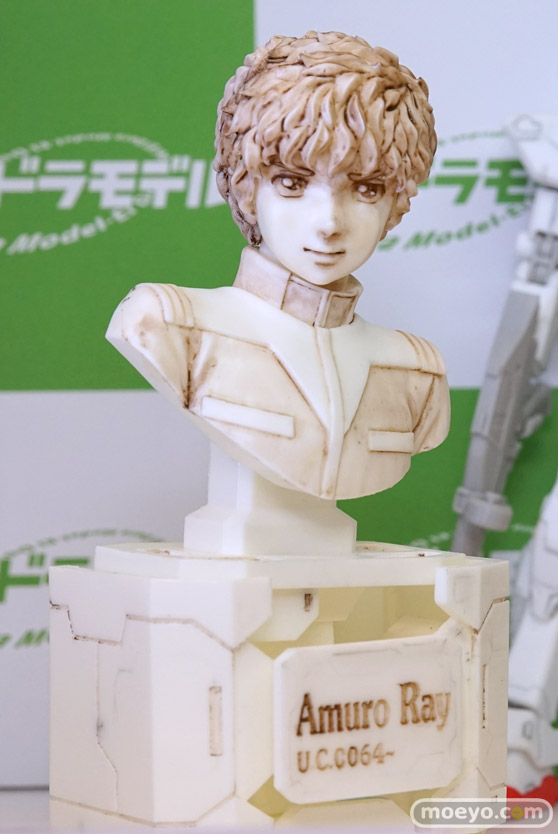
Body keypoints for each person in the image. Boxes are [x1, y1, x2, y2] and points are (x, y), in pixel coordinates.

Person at [107, 31, 450, 501]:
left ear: (397, 203)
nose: (329, 223)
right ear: (245, 187)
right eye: (292, 183)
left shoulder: (416, 372)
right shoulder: (169, 323)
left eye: (366, 189)